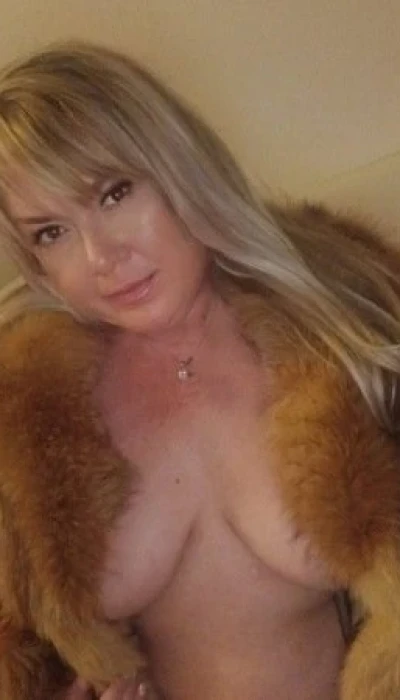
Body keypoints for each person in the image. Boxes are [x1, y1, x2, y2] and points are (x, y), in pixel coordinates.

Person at [0, 41, 398, 700]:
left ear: (177, 165)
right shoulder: (27, 418)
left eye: (113, 193)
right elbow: (21, 642)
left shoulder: (347, 316)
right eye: (51, 232)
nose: (101, 256)